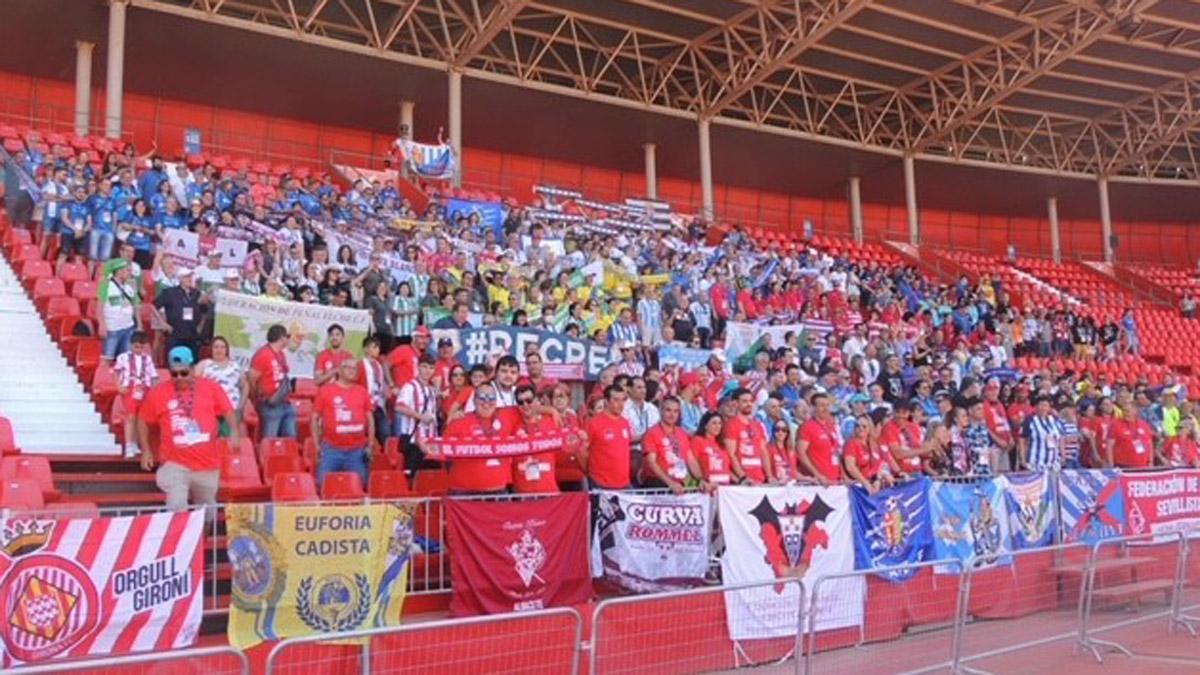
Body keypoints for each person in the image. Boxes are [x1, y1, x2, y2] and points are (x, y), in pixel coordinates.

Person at [136, 346, 237, 512]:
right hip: (174, 463)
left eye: (183, 373)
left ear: (192, 369)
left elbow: (227, 411)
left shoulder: (211, 388)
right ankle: (178, 535)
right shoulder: (158, 392)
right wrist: (146, 450)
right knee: (177, 506)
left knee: (207, 513)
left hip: (207, 465)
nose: (179, 378)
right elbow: (142, 420)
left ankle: (203, 537)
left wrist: (234, 432)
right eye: (174, 374)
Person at [425, 382, 516, 493]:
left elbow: (533, 409)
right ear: (474, 400)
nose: (486, 402)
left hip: (498, 492)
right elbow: (444, 452)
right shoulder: (459, 421)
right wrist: (425, 445)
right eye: (482, 397)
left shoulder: (507, 417)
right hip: (464, 493)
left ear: (496, 401)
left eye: (491, 398)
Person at [312, 357, 376, 490]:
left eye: (355, 368)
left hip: (357, 451)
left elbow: (370, 419)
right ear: (339, 371)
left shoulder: (362, 391)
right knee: (322, 484)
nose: (352, 371)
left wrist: (370, 445)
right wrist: (317, 445)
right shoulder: (325, 391)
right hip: (331, 449)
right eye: (348, 367)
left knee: (360, 485)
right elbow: (315, 418)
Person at [248, 324, 297, 438]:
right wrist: (257, 399)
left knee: (291, 438)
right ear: (281, 338)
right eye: (287, 336)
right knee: (270, 440)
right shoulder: (263, 355)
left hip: (284, 401)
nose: (289, 339)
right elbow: (252, 379)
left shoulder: (281, 354)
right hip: (270, 404)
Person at [113, 331, 158, 457]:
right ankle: (128, 444)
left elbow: (153, 376)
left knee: (141, 418)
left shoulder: (147, 359)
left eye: (141, 347)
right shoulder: (123, 357)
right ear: (131, 345)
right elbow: (116, 372)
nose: (138, 349)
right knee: (130, 416)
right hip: (130, 388)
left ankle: (136, 443)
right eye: (136, 346)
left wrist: (153, 392)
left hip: (144, 389)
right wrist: (119, 386)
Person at [195, 335, 248, 439]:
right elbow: (194, 385)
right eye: (216, 347)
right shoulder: (204, 364)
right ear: (211, 349)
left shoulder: (235, 366)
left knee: (228, 441)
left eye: (222, 347)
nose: (219, 350)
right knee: (210, 440)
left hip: (231, 410)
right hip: (209, 411)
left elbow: (245, 386)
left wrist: (241, 406)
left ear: (226, 349)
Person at [512, 384, 561, 494]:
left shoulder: (552, 421)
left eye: (529, 400)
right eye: (521, 402)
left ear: (536, 401)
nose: (525, 405)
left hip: (549, 491)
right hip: (522, 494)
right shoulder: (512, 424)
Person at [582, 384, 634, 490]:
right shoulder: (594, 423)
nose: (620, 404)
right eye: (616, 400)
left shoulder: (625, 422)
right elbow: (582, 451)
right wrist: (591, 473)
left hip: (624, 483)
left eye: (622, 400)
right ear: (606, 401)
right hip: (601, 483)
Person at [395, 354, 439, 471]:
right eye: (424, 367)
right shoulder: (410, 387)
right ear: (418, 367)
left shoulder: (431, 389)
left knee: (430, 477)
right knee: (412, 478)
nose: (427, 371)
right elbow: (399, 407)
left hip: (430, 440)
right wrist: (420, 416)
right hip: (413, 441)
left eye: (430, 368)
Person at [639, 397, 692, 493]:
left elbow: (690, 459)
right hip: (657, 485)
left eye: (676, 411)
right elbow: (651, 463)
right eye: (668, 410)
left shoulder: (682, 433)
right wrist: (670, 483)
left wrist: (702, 479)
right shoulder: (651, 433)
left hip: (678, 483)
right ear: (660, 410)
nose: (672, 415)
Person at [154, 267, 205, 362]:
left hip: (192, 335)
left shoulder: (196, 293)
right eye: (186, 277)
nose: (189, 279)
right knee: (174, 362)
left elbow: (204, 311)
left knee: (192, 363)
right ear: (180, 279)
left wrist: (200, 326)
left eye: (190, 276)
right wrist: (162, 323)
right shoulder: (170, 292)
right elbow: (153, 307)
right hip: (175, 334)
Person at [723, 388, 771, 484]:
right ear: (735, 403)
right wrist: (742, 477)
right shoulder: (731, 424)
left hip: (760, 479)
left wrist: (769, 476)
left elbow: (763, 452)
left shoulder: (757, 425)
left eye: (750, 401)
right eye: (744, 401)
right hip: (743, 482)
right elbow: (731, 454)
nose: (749, 404)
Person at [98, 258, 141, 363]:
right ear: (119, 271)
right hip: (112, 328)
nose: (129, 273)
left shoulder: (131, 284)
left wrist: (139, 324)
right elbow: (99, 307)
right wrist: (102, 324)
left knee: (126, 359)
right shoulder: (106, 285)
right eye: (127, 270)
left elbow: (135, 305)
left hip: (128, 327)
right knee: (107, 358)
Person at [797, 392, 843, 485]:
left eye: (827, 405)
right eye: (822, 405)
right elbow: (800, 453)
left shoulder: (831, 425)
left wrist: (843, 475)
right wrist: (817, 475)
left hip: (835, 480)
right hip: (818, 483)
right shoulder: (807, 426)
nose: (826, 409)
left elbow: (836, 452)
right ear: (813, 408)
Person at [689, 411, 732, 492]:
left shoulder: (721, 444)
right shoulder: (697, 440)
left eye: (719, 423)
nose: (717, 426)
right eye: (714, 423)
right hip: (708, 488)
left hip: (724, 489)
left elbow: (726, 469)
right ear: (705, 425)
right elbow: (692, 462)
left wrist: (740, 480)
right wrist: (701, 480)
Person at [1109, 398, 1155, 469]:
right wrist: (1111, 465)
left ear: (1135, 411)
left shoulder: (1144, 425)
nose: (1125, 413)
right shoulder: (1115, 425)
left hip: (1143, 465)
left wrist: (1151, 461)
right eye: (1123, 411)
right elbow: (1109, 446)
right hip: (1123, 466)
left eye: (1127, 411)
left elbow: (1150, 444)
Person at [1019, 395, 1062, 470]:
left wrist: (1062, 455)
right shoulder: (1030, 421)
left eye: (1045, 405)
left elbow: (1061, 438)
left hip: (1054, 464)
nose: (1043, 408)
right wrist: (1022, 459)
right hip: (1035, 463)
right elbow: (1022, 440)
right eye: (1041, 405)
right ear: (1036, 407)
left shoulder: (1055, 420)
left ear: (1049, 408)